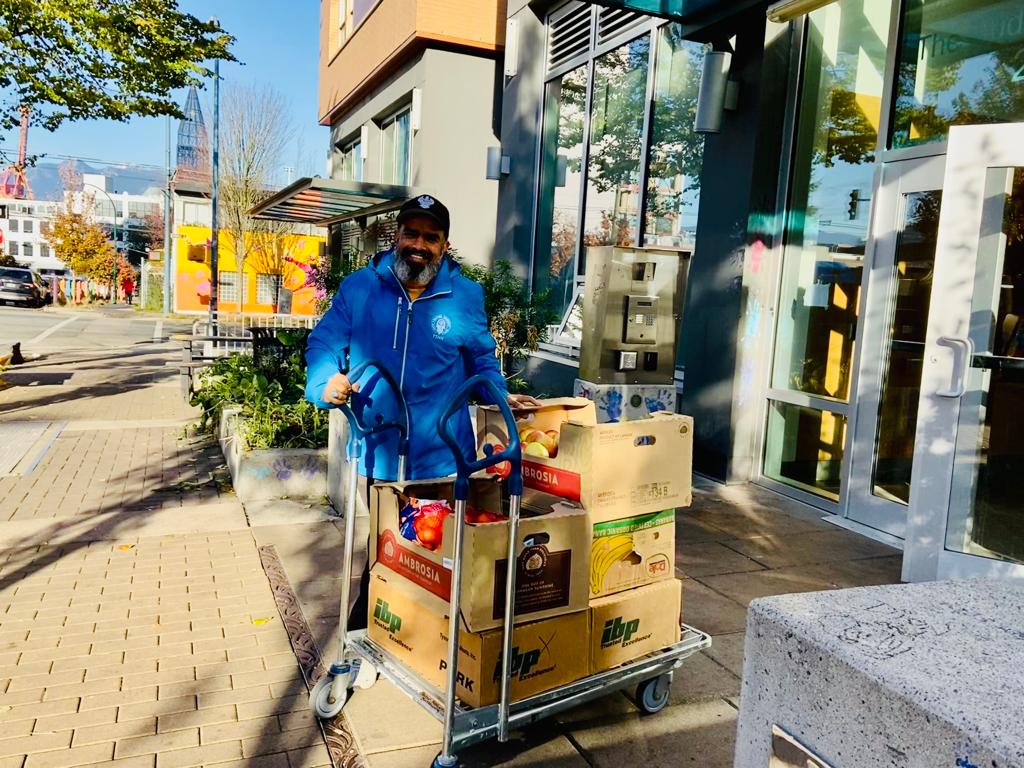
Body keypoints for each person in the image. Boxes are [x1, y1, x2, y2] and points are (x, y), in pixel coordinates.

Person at [305, 194, 538, 626]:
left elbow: (481, 360)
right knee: (386, 546)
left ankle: (435, 640)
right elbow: (324, 342)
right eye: (411, 233)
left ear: (444, 245)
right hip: (377, 449)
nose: (419, 244)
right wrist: (325, 381)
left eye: (431, 237)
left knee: (439, 552)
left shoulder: (465, 296)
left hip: (443, 458)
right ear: (397, 235)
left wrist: (500, 396)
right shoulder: (360, 288)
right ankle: (370, 632)